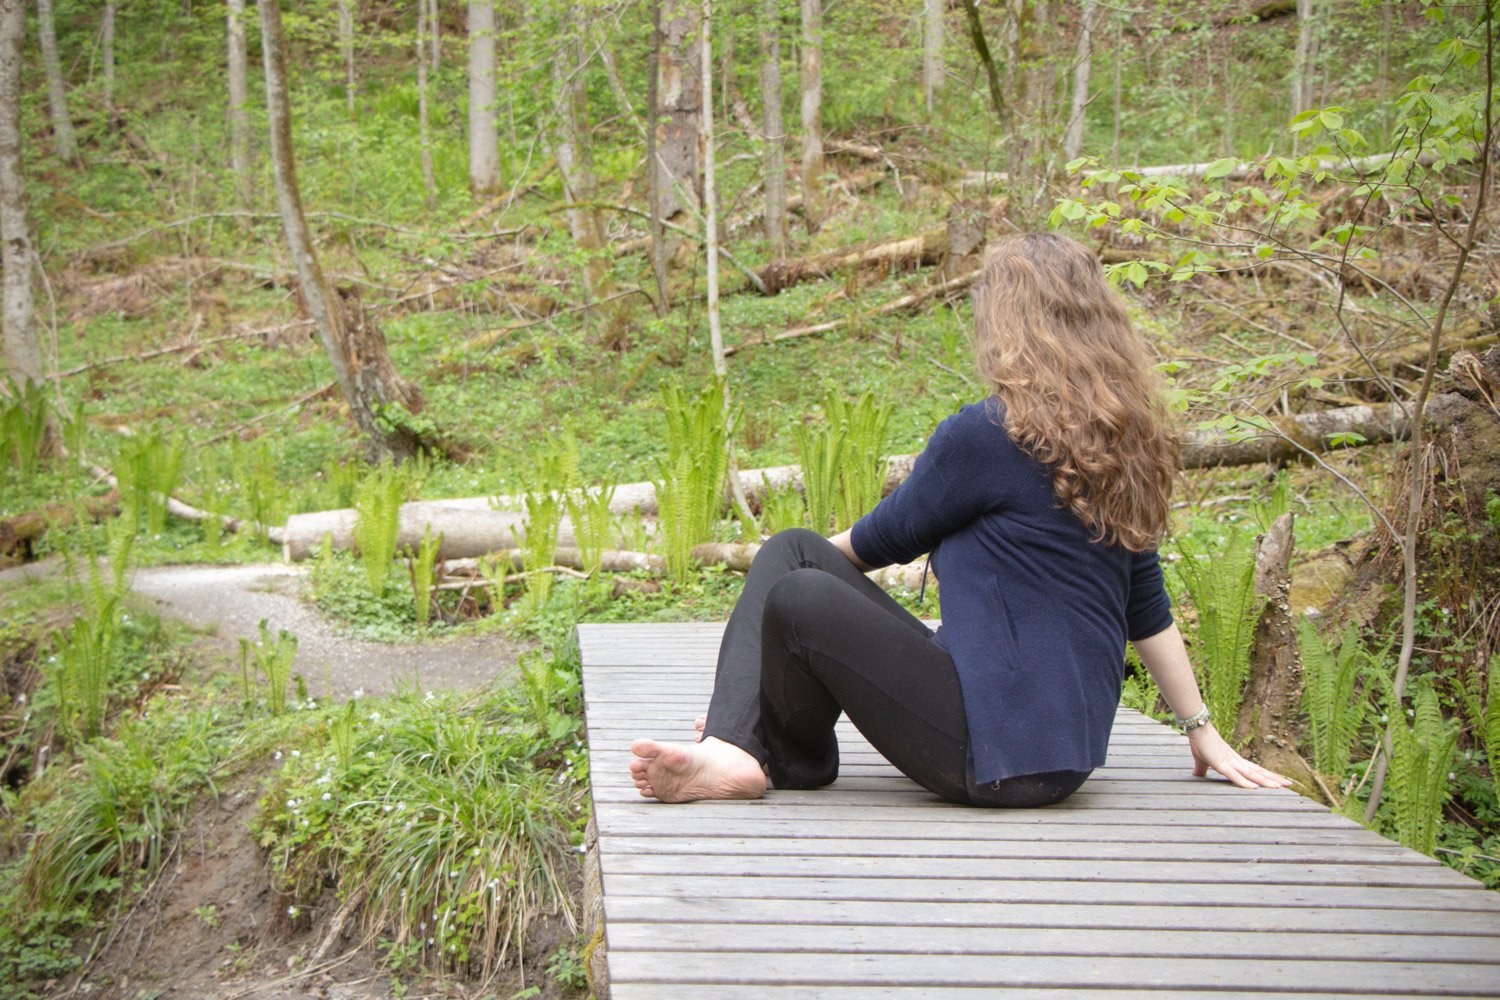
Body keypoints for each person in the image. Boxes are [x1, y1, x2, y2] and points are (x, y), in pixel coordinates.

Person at [629, 233, 1290, 806]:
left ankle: (741, 748)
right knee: (794, 562)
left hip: (991, 753)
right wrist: (1201, 728)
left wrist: (767, 607)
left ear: (1005, 323)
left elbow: (877, 541)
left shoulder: (990, 433)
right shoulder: (1125, 440)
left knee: (794, 568)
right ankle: (761, 748)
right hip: (1062, 759)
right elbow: (1146, 604)